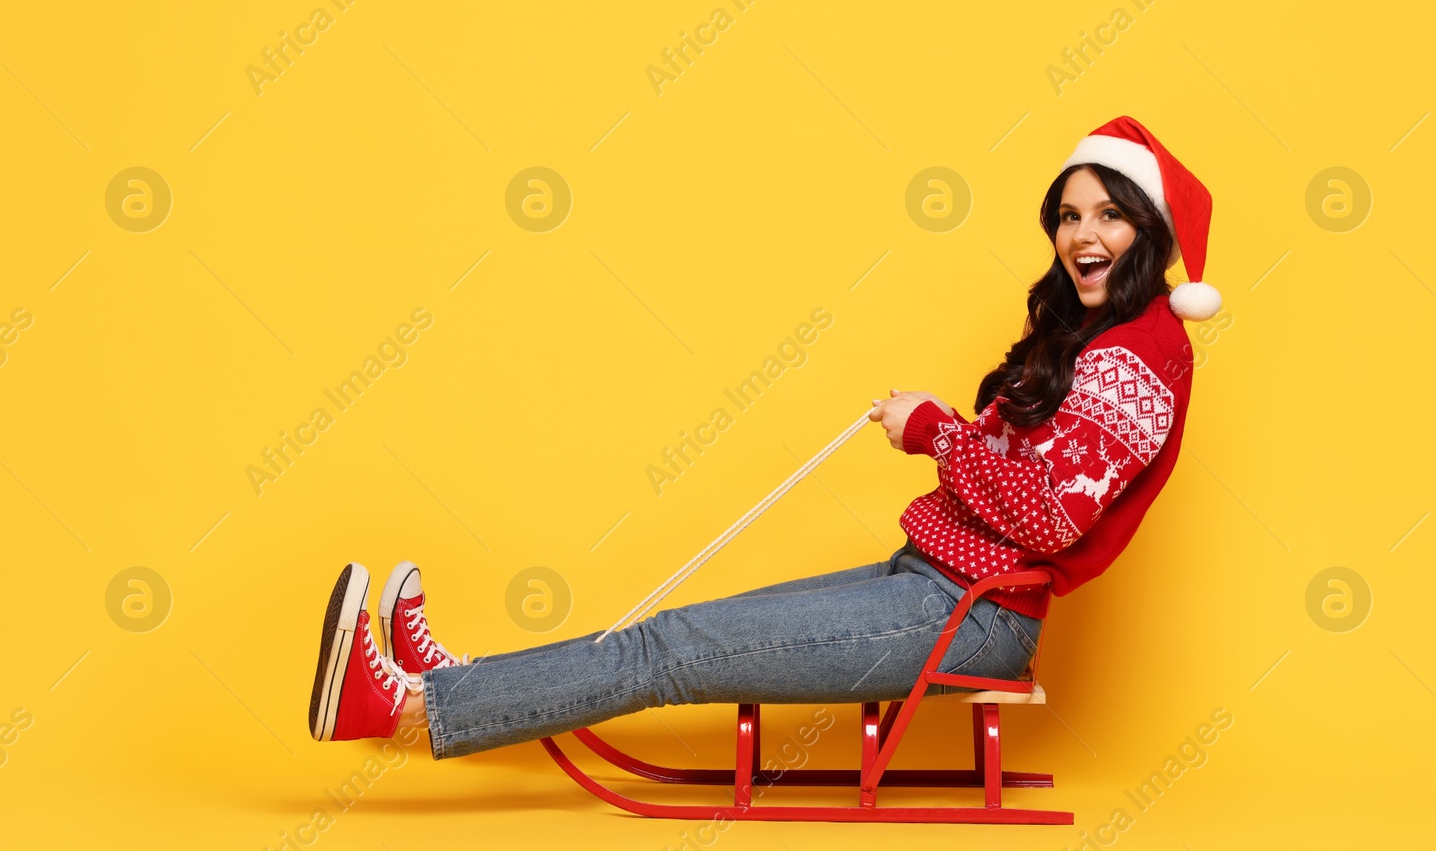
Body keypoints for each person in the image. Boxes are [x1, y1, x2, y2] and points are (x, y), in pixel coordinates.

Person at [307, 115, 1220, 760]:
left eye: (1109, 213)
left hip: (972, 615)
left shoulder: (1141, 355)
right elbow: (1026, 469)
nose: (1081, 234)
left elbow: (1049, 513)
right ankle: (454, 684)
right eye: (1069, 213)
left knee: (666, 650)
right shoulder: (1101, 340)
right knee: (663, 637)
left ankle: (404, 710)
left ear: (1149, 232)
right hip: (934, 581)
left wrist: (936, 429)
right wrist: (954, 430)